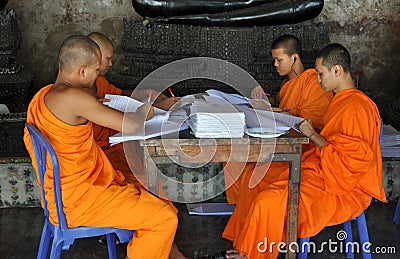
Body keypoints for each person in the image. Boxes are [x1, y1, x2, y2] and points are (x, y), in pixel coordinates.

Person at [221, 43, 387, 259]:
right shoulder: (341, 101)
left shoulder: (356, 107)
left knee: (269, 200)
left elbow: (353, 163)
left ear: (336, 70)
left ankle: (252, 254)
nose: (318, 80)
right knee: (254, 179)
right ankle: (246, 244)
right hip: (324, 166)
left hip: (343, 185)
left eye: (321, 74)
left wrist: (312, 135)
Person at [23, 35, 180, 259]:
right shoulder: (74, 97)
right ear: (83, 71)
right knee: (164, 218)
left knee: (149, 192)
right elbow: (133, 125)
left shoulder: (42, 95)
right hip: (82, 199)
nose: (98, 76)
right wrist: (146, 110)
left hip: (62, 196)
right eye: (97, 70)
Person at [87, 32, 186, 258]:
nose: (111, 64)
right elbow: (130, 123)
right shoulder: (81, 96)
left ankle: (168, 247)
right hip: (100, 165)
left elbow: (120, 95)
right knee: (154, 197)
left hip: (112, 155)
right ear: (93, 57)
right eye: (108, 59)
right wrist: (144, 111)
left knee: (154, 186)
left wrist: (156, 101)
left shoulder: (98, 83)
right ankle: (166, 245)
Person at [224, 34, 333, 204]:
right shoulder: (286, 85)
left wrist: (267, 110)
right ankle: (242, 210)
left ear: (294, 57)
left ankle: (255, 211)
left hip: (304, 149)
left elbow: (308, 125)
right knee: (232, 161)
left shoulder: (313, 83)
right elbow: (281, 103)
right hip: (279, 141)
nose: (275, 64)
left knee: (247, 170)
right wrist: (263, 100)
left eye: (279, 60)